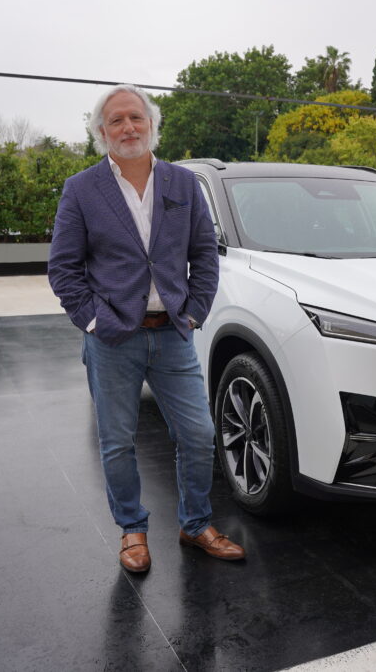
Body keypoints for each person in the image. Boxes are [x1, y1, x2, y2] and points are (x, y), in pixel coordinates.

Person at [48, 84, 245, 572]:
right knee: (117, 442)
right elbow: (64, 268)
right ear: (101, 132)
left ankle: (195, 524)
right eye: (116, 120)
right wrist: (94, 321)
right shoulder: (82, 188)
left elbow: (204, 254)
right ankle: (132, 530)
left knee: (198, 434)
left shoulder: (183, 184)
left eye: (135, 117)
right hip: (112, 339)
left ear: (151, 124)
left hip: (173, 333)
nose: (128, 127)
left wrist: (193, 313)